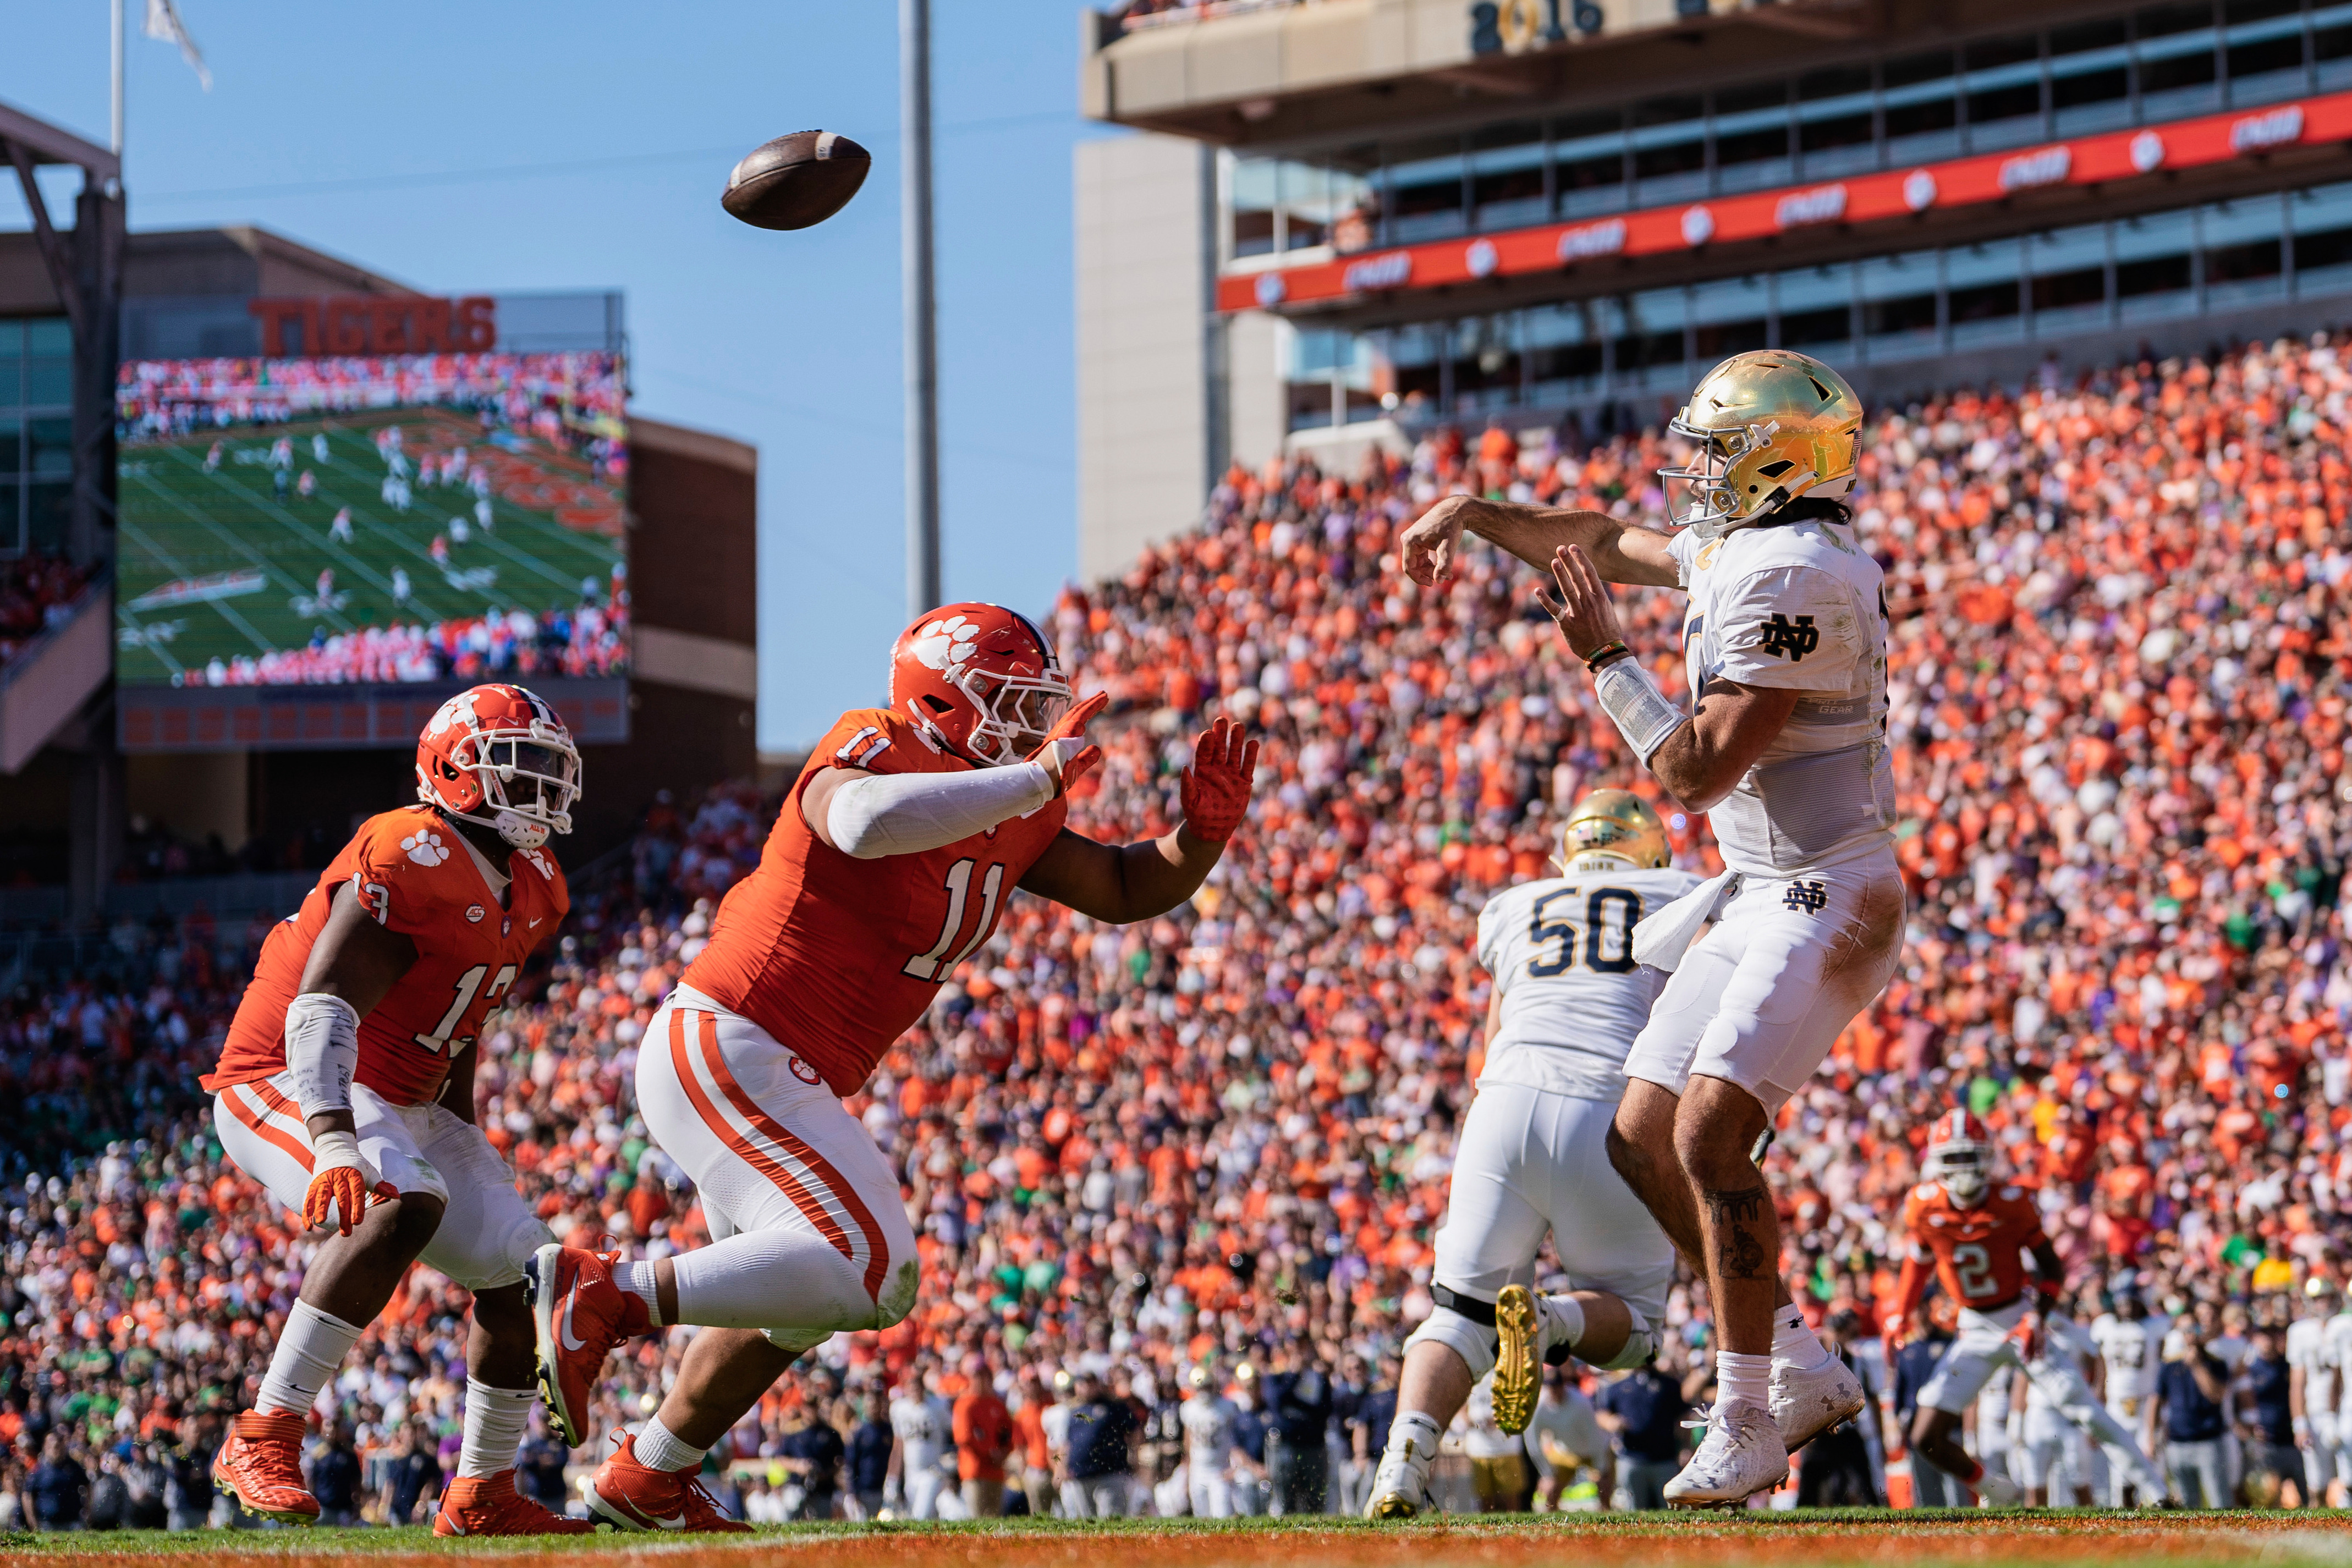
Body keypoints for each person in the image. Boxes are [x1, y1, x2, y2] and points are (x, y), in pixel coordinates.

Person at [526, 603, 1257, 1532]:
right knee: (874, 1272)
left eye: (1040, 709)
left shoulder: (1017, 802)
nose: (1033, 728)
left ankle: (650, 1472)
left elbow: (1120, 888)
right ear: (943, 703)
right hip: (733, 1034)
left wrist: (1198, 839)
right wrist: (1030, 779)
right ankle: (608, 1294)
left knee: (792, 1299)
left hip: (778, 1062)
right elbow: (863, 824)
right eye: (1010, 704)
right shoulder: (875, 741)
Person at [1400, 349, 1898, 1506]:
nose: (1692, 474)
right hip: (1762, 888)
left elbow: (1690, 772)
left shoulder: (1797, 576)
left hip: (1827, 890)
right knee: (1638, 1133)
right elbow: (1599, 538)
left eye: (1717, 453)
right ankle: (1803, 1366)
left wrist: (1604, 660)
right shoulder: (1750, 550)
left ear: (1779, 462)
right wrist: (1475, 515)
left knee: (1711, 1140)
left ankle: (1744, 1413)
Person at [201, 683, 588, 1536]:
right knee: (400, 1200)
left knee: (527, 1269)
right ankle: (264, 1432)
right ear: (454, 770)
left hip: (407, 1094)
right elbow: (323, 1004)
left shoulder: (538, 883)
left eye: (547, 770)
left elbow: (462, 1020)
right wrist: (334, 1137)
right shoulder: (410, 846)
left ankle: (482, 1492)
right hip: (289, 1074)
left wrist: (465, 1133)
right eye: (518, 768)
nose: (540, 789)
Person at [1367, 793, 1699, 1519]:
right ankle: (1547, 1321)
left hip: (1505, 1105)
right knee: (1635, 1331)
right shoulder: (1686, 895)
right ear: (1652, 853)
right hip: (1615, 1110)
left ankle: (1402, 1462)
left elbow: (1493, 1036)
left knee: (1457, 1312)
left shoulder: (1516, 903)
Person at [1889, 1113, 2171, 1507]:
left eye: (1970, 1156)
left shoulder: (2013, 1202)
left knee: (2088, 1413)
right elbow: (1918, 1260)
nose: (1964, 1168)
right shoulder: (1923, 1206)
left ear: (1987, 1157)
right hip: (1973, 1326)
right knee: (1925, 1437)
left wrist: (2037, 1316)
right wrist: (1899, 1312)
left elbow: (2052, 1267)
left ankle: (2157, 1492)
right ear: (1938, 1161)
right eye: (1954, 1158)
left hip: (2020, 1319)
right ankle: (1999, 1491)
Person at [2090, 1282, 2170, 1505]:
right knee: (2120, 1464)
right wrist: (2099, 1396)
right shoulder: (2105, 1326)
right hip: (2117, 1404)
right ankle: (2124, 1513)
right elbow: (2100, 1366)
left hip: (2147, 1404)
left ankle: (2157, 1506)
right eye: (2123, 1303)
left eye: (2131, 1302)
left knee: (2152, 1459)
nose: (2127, 1308)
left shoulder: (2154, 1326)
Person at [1594, 1350, 1690, 1509]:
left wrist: (1686, 1446)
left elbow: (1683, 1417)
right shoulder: (1617, 1386)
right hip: (1631, 1457)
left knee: (1671, 1509)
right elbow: (1602, 1413)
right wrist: (1612, 1422)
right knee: (1635, 1510)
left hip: (1665, 1458)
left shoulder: (1669, 1384)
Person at [1889, 1301, 1960, 1508]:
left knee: (1955, 1487)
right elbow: (1899, 1392)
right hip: (1916, 1426)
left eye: (1921, 1307)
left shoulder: (1948, 1343)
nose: (1918, 1313)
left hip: (1947, 1424)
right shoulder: (1906, 1348)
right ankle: (1928, 1537)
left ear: (1929, 1309)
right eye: (1914, 1308)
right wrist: (1896, 1424)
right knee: (1925, 1490)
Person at [2156, 1322, 2232, 1507]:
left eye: (2195, 1329)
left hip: (2208, 1441)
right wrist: (2152, 1435)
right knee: (2186, 1505)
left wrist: (2198, 1366)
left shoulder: (2216, 1363)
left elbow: (2215, 1395)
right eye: (2187, 1330)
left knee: (2219, 1501)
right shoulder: (2170, 1364)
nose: (2191, 1335)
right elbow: (2156, 1399)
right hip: (2177, 1441)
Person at [1525, 1364, 1613, 1511]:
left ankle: (1607, 1515)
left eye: (1557, 1386)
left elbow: (1594, 1436)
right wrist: (1546, 1472)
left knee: (1603, 1486)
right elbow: (1533, 1443)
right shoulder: (1539, 1409)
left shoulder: (1580, 1403)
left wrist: (1600, 1466)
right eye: (1550, 1387)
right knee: (1551, 1492)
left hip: (1593, 1451)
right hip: (1565, 1453)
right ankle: (1551, 1524)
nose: (1554, 1391)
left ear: (1563, 1385)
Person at [2289, 1278, 2342, 1508]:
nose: (2322, 1304)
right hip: (2316, 1411)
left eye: (2326, 1298)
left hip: (2346, 1409)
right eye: (2317, 1299)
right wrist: (2299, 1423)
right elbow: (2297, 1382)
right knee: (2317, 1483)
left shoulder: (2344, 1325)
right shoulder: (2300, 1331)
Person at [1266, 1341, 1333, 1514]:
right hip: (1287, 1444)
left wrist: (1296, 1404)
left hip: (1313, 1444)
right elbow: (1277, 1401)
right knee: (1285, 1496)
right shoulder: (1276, 1375)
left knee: (1314, 1496)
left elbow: (1324, 1411)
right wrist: (1293, 1375)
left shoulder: (1318, 1377)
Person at [1061, 1369, 1139, 1519]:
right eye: (1082, 1384)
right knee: (1086, 1522)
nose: (1087, 1388)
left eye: (1091, 1384)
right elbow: (1068, 1442)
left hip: (1109, 1472)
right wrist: (1063, 1467)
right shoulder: (1073, 1410)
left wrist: (1133, 1454)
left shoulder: (1114, 1406)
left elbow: (1135, 1432)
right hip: (1081, 1474)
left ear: (1097, 1385)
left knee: (1111, 1519)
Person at [2239, 1325, 2301, 1505]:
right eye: (2263, 1337)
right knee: (2269, 1500)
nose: (2268, 1342)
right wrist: (2249, 1429)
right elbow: (2240, 1403)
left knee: (2306, 1496)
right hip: (2266, 1441)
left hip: (2294, 1440)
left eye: (2271, 1336)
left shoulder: (2289, 1366)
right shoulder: (2250, 1370)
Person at [952, 1356, 1013, 1519]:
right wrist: (990, 1453)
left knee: (995, 1520)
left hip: (996, 1471)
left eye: (986, 1376)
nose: (982, 1380)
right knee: (977, 1519)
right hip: (975, 1471)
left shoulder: (996, 1404)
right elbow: (964, 1438)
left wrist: (1003, 1453)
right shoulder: (965, 1404)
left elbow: (1008, 1432)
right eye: (978, 1376)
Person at [888, 1367, 952, 1520]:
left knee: (920, 1517)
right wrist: (892, 1478)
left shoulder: (937, 1405)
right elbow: (898, 1446)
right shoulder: (900, 1409)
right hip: (911, 1473)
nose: (914, 1390)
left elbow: (952, 1429)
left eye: (917, 1386)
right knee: (924, 1517)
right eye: (911, 1387)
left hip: (932, 1471)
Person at [1179, 1363, 1240, 1519]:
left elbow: (1237, 1439)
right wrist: (1188, 1468)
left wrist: (1234, 1466)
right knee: (1201, 1518)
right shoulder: (1188, 1408)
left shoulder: (1227, 1406)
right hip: (1198, 1470)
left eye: (1206, 1387)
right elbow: (1188, 1440)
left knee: (1223, 1516)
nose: (1204, 1392)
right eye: (1200, 1387)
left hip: (1220, 1469)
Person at [779, 1406, 845, 1520]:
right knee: (790, 1519)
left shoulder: (829, 1433)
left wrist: (826, 1473)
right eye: (808, 1408)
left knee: (823, 1523)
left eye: (813, 1407)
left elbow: (841, 1459)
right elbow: (781, 1458)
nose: (811, 1412)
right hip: (798, 1484)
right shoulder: (794, 1431)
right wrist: (797, 1466)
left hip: (823, 1487)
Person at [846, 1393, 894, 1521]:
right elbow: (852, 1462)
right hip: (866, 1487)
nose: (874, 1410)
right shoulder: (860, 1432)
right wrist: (853, 1489)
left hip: (887, 1486)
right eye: (871, 1407)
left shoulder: (888, 1430)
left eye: (876, 1406)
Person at [310, 1423, 365, 1526]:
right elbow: (313, 1480)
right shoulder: (319, 1455)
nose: (332, 1436)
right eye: (329, 1433)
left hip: (344, 1507)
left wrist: (357, 1502)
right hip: (324, 1506)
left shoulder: (348, 1455)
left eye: (335, 1433)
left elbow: (357, 1480)